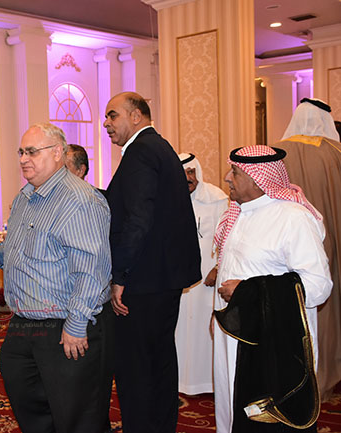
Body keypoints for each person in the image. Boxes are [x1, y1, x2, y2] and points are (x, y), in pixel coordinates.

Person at [0, 123, 113, 433]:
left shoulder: (80, 200)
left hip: (67, 326)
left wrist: (76, 324)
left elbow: (92, 269)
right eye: (21, 152)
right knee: (31, 408)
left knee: (77, 418)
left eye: (32, 152)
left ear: (57, 153)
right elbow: (24, 245)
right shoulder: (25, 197)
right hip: (24, 324)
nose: (23, 159)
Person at [213, 145, 332, 433]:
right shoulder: (239, 214)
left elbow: (318, 286)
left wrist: (247, 292)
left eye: (235, 172)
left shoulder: (292, 218)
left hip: (273, 343)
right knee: (231, 406)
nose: (227, 178)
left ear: (258, 180)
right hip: (234, 335)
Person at [103, 92, 201, 432]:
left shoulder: (141, 152)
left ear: (136, 116)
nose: (106, 123)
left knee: (136, 367)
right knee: (160, 360)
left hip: (144, 282)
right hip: (163, 279)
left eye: (113, 115)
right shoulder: (160, 147)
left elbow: (138, 219)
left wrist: (120, 275)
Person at [279, 98, 341, 399]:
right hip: (332, 242)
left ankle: (294, 377)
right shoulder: (335, 152)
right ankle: (328, 373)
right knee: (328, 305)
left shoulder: (276, 152)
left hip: (285, 246)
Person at [175, 152, 228, 395]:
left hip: (207, 276)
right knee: (180, 327)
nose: (188, 178)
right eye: (182, 173)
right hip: (180, 278)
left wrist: (218, 268)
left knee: (203, 329)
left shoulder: (217, 199)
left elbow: (227, 238)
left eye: (191, 172)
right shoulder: (170, 199)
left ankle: (206, 382)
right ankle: (180, 380)